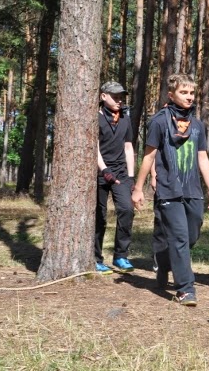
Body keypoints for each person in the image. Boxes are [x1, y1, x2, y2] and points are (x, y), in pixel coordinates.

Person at [131, 74, 209, 306]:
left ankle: (163, 261)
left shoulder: (197, 125)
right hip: (168, 189)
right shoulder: (159, 121)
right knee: (179, 237)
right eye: (184, 92)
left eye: (192, 93)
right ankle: (185, 289)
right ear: (171, 95)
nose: (189, 97)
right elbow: (149, 156)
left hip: (193, 190)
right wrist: (138, 188)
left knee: (191, 235)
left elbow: (202, 157)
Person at [95, 81, 135, 274]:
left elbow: (128, 147)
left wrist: (131, 176)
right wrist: (104, 170)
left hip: (120, 173)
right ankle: (96, 258)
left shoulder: (125, 118)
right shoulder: (96, 117)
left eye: (121, 97)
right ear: (103, 96)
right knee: (99, 217)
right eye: (115, 97)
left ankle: (120, 256)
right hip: (99, 173)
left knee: (127, 210)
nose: (119, 100)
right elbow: (94, 147)